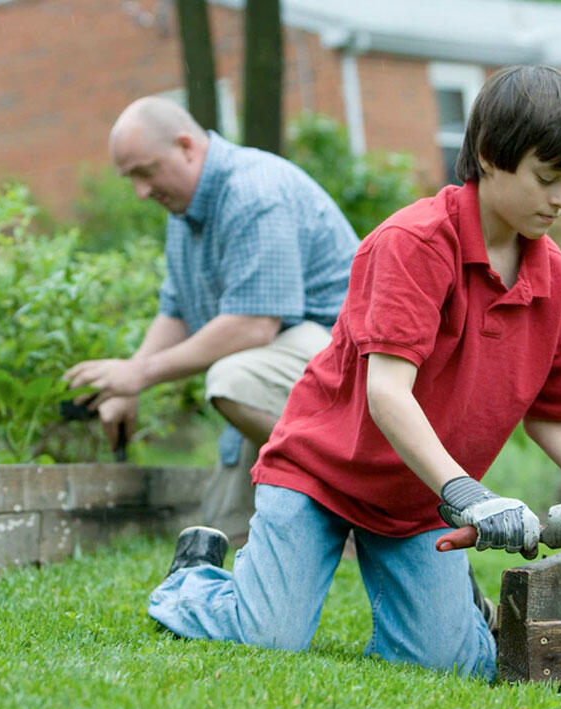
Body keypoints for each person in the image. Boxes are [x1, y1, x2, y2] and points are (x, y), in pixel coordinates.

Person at [146, 66, 561, 680]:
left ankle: (453, 613)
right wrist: (472, 496)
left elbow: (553, 421)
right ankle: (195, 578)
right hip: (320, 475)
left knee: (448, 665)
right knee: (267, 637)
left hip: (421, 499)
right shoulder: (413, 244)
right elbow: (387, 393)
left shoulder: (552, 279)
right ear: (487, 157)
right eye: (547, 178)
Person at [64, 97, 359, 540]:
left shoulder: (253, 192)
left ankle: (357, 500)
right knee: (221, 531)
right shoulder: (185, 211)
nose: (141, 192)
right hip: (285, 373)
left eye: (145, 172)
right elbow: (177, 310)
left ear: (186, 146)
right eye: (131, 180)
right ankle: (313, 513)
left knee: (233, 379)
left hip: (350, 371)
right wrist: (125, 384)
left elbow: (254, 324)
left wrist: (141, 374)